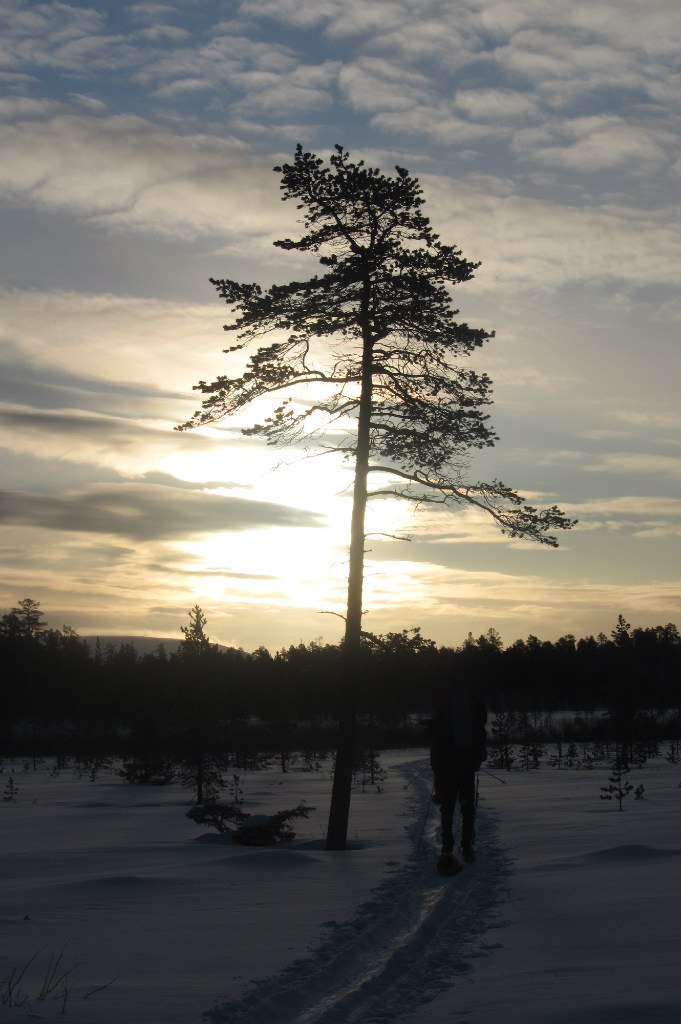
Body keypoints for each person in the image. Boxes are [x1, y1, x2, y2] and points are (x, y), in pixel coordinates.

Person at [429, 680, 487, 873]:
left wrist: (436, 765)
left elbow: (436, 740)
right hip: (467, 766)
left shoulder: (443, 709)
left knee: (447, 808)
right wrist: (477, 758)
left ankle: (447, 846)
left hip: (446, 767)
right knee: (467, 806)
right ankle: (468, 846)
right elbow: (481, 730)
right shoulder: (472, 708)